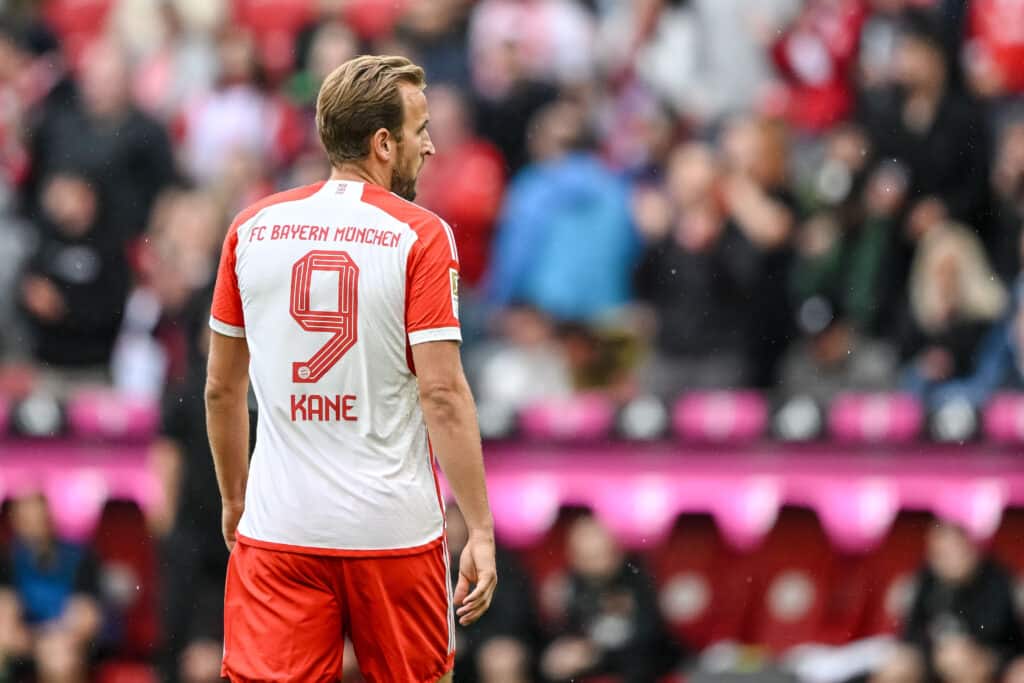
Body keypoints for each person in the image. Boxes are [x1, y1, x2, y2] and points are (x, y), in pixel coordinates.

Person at [205, 55, 496, 683]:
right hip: (391, 531)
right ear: (384, 143)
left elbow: (220, 390)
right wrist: (480, 528)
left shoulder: (251, 227)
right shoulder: (422, 234)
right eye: (421, 129)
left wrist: (235, 499)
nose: (432, 145)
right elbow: (442, 394)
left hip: (281, 525)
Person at [872, 520, 1024, 683]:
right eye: (943, 553)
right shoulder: (924, 580)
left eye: (956, 550)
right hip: (933, 654)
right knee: (897, 666)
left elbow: (1001, 633)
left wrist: (967, 649)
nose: (951, 559)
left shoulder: (998, 580)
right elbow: (912, 633)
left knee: (963, 662)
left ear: (971, 548)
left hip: (992, 655)